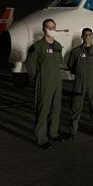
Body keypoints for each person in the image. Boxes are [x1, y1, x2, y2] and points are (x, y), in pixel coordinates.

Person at [26, 19, 63, 149]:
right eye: (48, 27)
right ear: (43, 29)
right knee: (43, 109)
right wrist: (38, 78)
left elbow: (59, 62)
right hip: (44, 81)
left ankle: (53, 132)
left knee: (56, 108)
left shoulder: (58, 45)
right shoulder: (37, 46)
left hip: (57, 80)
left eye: (53, 26)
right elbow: (30, 65)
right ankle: (41, 137)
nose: (51, 29)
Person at [67, 28, 93, 140]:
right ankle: (72, 131)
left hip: (92, 83)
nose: (88, 36)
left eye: (90, 34)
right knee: (75, 107)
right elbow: (71, 66)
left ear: (92, 36)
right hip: (79, 82)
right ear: (82, 37)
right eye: (85, 34)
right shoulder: (75, 51)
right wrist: (80, 73)